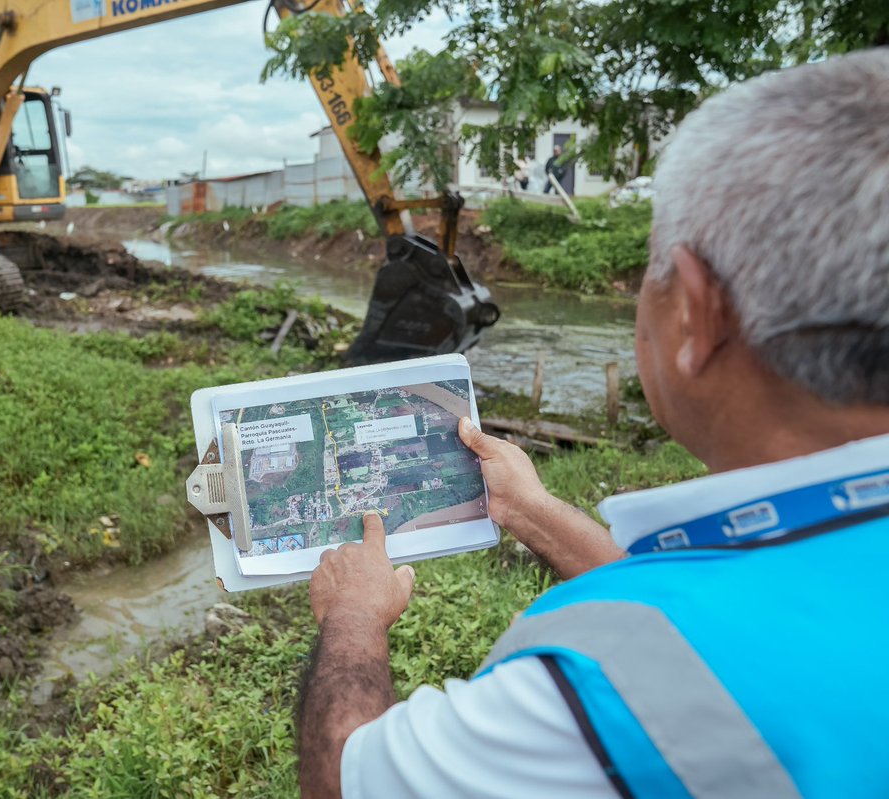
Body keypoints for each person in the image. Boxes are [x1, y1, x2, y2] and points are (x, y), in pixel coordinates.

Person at [297, 48, 889, 799]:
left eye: (652, 265)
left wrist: (352, 617)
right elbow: (724, 617)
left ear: (698, 314)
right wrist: (534, 510)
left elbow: (345, 777)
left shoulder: (597, 693)